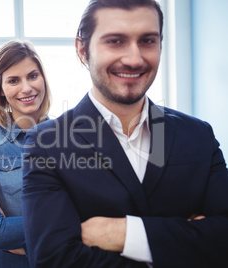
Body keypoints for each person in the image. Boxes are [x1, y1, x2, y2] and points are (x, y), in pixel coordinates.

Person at [21, 0, 228, 267]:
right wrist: (189, 242)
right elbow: (54, 259)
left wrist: (125, 234)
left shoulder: (198, 135)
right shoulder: (46, 143)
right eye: (115, 41)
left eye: (147, 41)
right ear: (82, 49)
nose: (134, 59)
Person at [0, 40, 51, 267]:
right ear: (1, 89)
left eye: (33, 76)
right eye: (13, 80)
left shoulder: (68, 135)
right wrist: (64, 222)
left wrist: (18, 232)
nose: (26, 88)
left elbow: (93, 211)